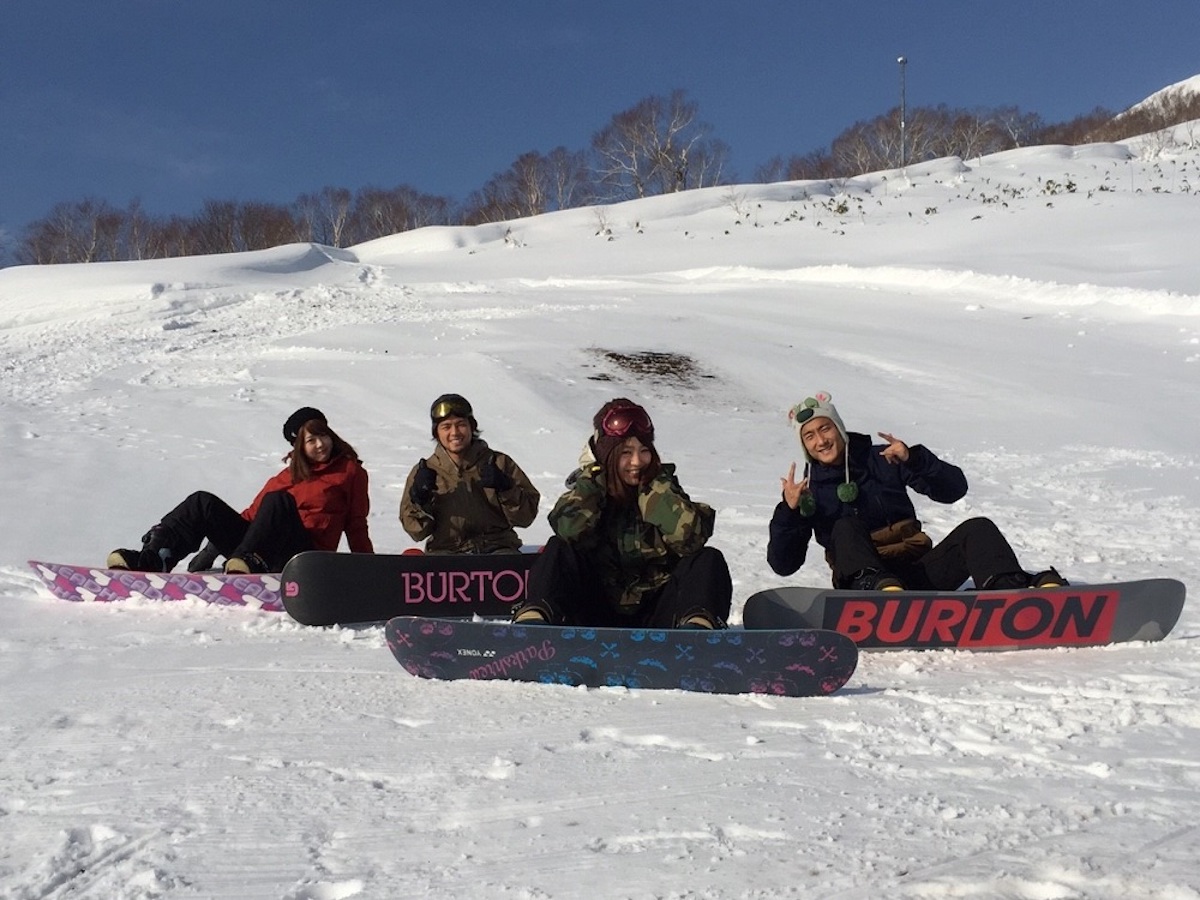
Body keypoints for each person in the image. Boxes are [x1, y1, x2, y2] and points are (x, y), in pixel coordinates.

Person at [767, 391, 1065, 592]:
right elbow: (784, 565)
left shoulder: (883, 459)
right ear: (804, 446)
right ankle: (877, 590)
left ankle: (1009, 589)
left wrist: (916, 460)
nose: (820, 440)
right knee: (845, 527)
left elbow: (954, 490)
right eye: (809, 436)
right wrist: (789, 513)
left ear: (839, 429)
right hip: (862, 591)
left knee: (978, 528)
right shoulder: (807, 492)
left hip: (917, 573)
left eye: (825, 429)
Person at [511, 398, 732, 629]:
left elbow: (691, 539)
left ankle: (697, 633)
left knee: (707, 559)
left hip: (659, 612)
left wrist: (657, 495)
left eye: (644, 450)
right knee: (558, 548)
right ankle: (532, 627)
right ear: (608, 455)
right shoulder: (590, 490)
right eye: (626, 452)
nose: (637, 461)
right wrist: (593, 484)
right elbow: (569, 529)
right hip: (596, 611)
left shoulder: (663, 490)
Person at [108, 407, 373, 574]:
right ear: (298, 448)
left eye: (323, 436)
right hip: (259, 555)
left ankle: (248, 561)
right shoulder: (284, 478)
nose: (320, 444)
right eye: (310, 440)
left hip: (306, 559)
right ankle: (156, 558)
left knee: (279, 502)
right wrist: (213, 547)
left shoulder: (350, 472)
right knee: (202, 502)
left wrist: (369, 571)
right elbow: (250, 518)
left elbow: (356, 525)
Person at [400, 393, 540, 553]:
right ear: (436, 433)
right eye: (446, 427)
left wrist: (507, 489)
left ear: (472, 427)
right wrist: (420, 501)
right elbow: (415, 531)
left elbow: (526, 518)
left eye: (461, 424)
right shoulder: (425, 472)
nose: (454, 432)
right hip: (446, 553)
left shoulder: (499, 463)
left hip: (498, 549)